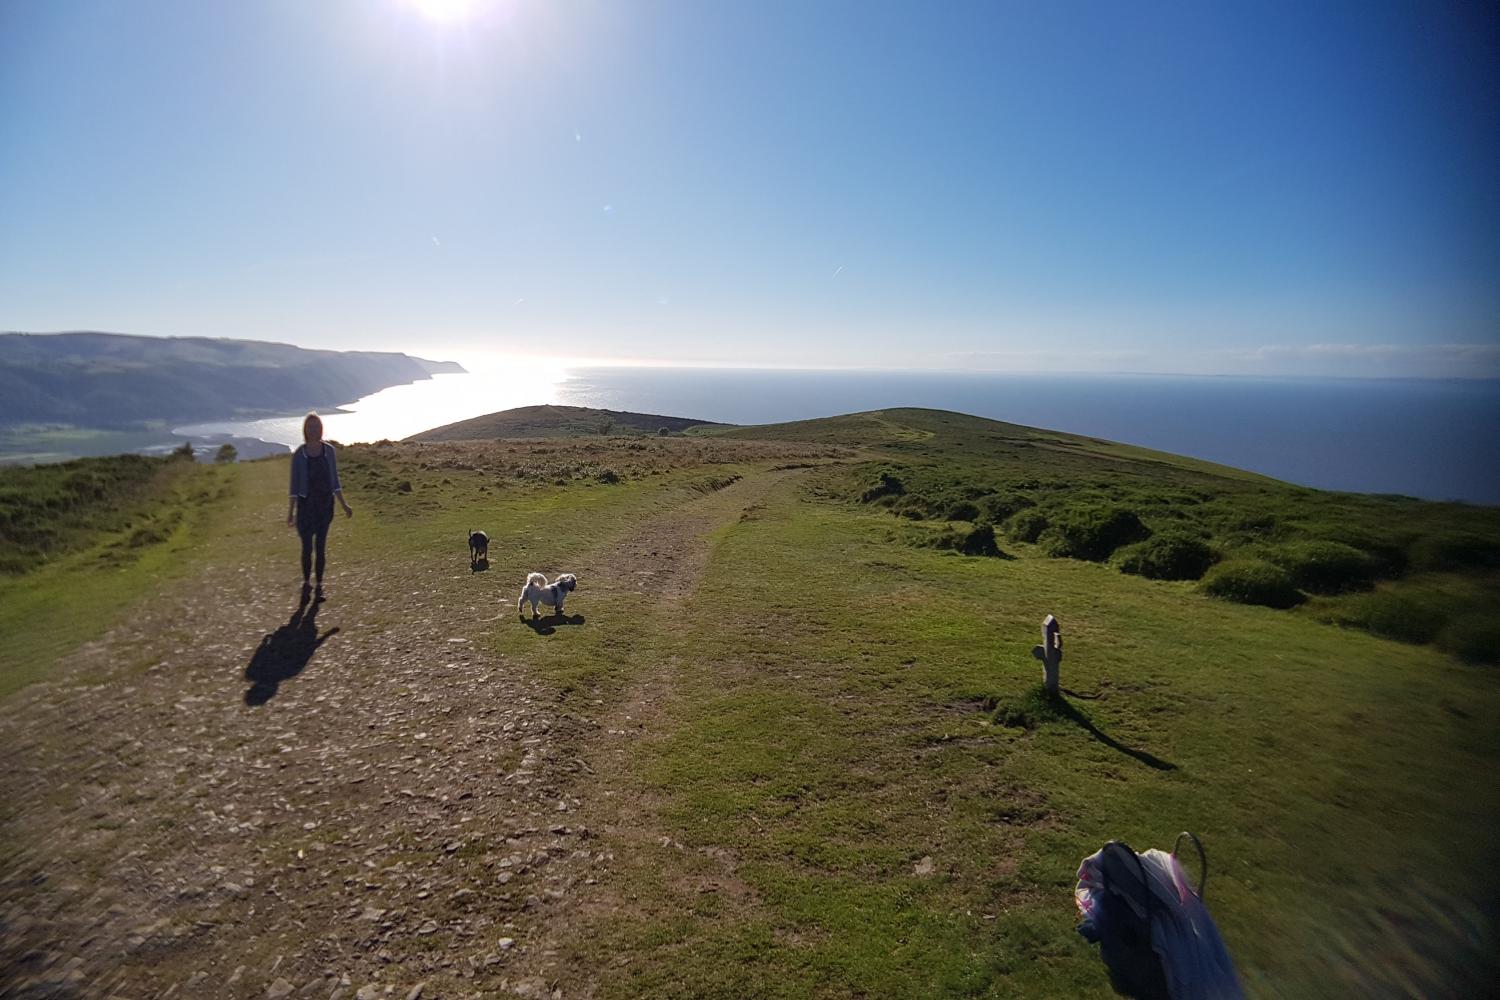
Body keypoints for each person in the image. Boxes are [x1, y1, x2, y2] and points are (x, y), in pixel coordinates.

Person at [286, 413, 353, 599]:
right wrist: (291, 513)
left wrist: (344, 505)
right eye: (310, 427)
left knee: (321, 547)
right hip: (306, 507)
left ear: (321, 428)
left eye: (316, 426)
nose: (314, 430)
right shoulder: (299, 454)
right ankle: (307, 582)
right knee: (307, 547)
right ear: (305, 430)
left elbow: (335, 481)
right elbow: (294, 485)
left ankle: (319, 585)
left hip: (325, 506)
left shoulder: (329, 451)